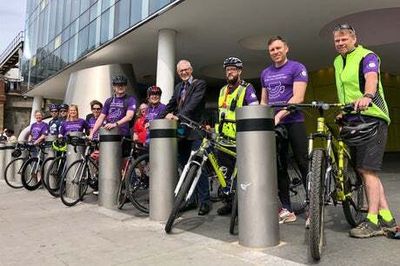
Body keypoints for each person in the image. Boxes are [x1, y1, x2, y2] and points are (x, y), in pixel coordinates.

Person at [332, 24, 396, 238]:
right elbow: (343, 90)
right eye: (337, 41)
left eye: (344, 39)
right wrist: (342, 110)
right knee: (364, 170)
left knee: (368, 170)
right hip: (352, 118)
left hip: (373, 116)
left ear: (353, 38)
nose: (340, 43)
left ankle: (372, 221)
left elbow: (371, 78)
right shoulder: (336, 61)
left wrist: (367, 96)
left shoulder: (367, 56)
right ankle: (386, 217)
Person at [260, 36, 309, 224]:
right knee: (279, 166)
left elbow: (298, 97)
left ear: (286, 48)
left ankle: (312, 207)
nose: (275, 52)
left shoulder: (297, 68)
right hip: (274, 124)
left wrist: (279, 115)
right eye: (272, 49)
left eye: (278, 48)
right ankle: (286, 209)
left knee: (303, 163)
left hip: (293, 121)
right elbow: (264, 101)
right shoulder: (265, 73)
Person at [164, 59, 210, 215]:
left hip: (195, 131)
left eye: (186, 70)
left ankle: (205, 201)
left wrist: (178, 116)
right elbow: (170, 104)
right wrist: (158, 117)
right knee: (184, 167)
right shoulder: (178, 87)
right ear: (178, 73)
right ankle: (191, 199)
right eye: (181, 71)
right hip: (181, 133)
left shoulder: (199, 84)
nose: (184, 72)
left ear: (191, 70)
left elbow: (193, 105)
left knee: (197, 167)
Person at [216, 57, 259, 216]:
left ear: (239, 71)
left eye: (233, 69)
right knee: (225, 174)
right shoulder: (222, 91)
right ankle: (229, 203)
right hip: (223, 140)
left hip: (241, 139)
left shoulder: (247, 88)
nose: (230, 72)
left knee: (243, 175)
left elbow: (254, 111)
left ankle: (245, 205)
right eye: (227, 69)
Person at [89, 75, 136, 158]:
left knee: (124, 162)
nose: (120, 86)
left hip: (123, 135)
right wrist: (92, 133)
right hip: (109, 135)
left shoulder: (130, 99)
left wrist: (115, 124)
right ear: (114, 87)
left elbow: (129, 117)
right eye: (118, 85)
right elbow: (101, 118)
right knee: (109, 160)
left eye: (123, 84)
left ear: (126, 86)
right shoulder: (109, 101)